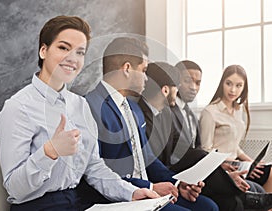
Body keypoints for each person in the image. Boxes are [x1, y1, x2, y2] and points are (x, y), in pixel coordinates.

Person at [0, 16, 161, 211]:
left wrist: (130, 192)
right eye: (64, 48)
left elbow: (94, 168)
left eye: (80, 52)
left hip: (77, 203)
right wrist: (50, 152)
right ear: (43, 50)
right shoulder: (18, 107)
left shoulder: (80, 105)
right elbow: (15, 188)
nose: (72, 58)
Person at [85, 37, 219, 211]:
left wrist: (177, 184)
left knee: (209, 207)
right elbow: (97, 171)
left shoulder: (133, 108)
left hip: (147, 191)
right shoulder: (89, 106)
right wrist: (148, 187)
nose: (147, 79)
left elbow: (147, 158)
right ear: (127, 68)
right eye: (144, 70)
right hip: (121, 197)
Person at [139, 61, 272, 210]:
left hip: (190, 170)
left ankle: (241, 193)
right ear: (165, 90)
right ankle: (242, 195)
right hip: (168, 174)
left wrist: (223, 169)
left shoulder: (170, 113)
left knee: (200, 156)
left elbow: (189, 150)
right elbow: (152, 160)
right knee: (229, 198)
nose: (187, 88)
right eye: (181, 83)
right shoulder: (146, 113)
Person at [199, 64, 272, 193]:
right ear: (222, 84)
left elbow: (235, 147)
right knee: (259, 187)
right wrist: (232, 163)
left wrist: (252, 162)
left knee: (269, 171)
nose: (233, 90)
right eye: (229, 83)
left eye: (238, 85)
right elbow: (205, 150)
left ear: (244, 88)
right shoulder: (210, 112)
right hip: (222, 168)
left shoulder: (238, 111)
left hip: (238, 165)